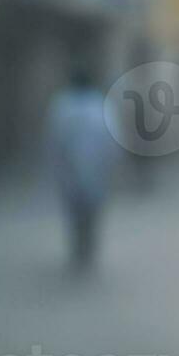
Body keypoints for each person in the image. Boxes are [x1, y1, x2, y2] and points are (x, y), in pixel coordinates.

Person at [43, 66, 119, 273]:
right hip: (96, 169)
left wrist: (55, 165)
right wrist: (112, 165)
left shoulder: (61, 106)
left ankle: (79, 247)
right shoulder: (100, 106)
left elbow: (53, 138)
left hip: (69, 169)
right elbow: (112, 139)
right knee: (92, 210)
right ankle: (88, 246)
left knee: (74, 209)